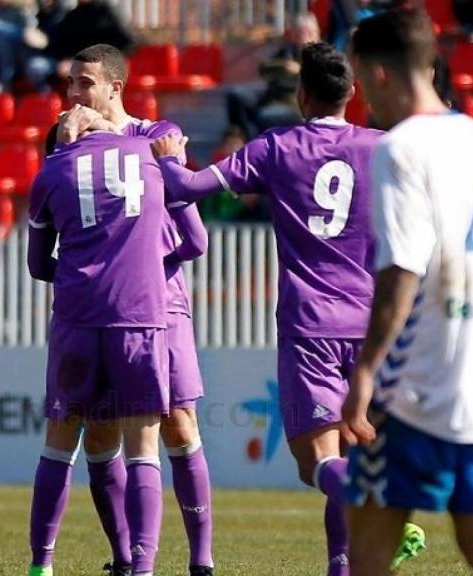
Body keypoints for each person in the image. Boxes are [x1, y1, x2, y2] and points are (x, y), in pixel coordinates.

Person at [149, 42, 428, 576]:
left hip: (310, 325)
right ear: (353, 94)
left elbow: (187, 188)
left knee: (318, 464)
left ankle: (381, 512)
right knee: (349, 459)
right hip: (372, 326)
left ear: (301, 95)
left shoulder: (277, 146)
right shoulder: (383, 148)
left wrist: (167, 154)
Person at [342, 9, 473, 576]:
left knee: (370, 549)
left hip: (417, 383)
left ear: (378, 73)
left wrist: (367, 370)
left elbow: (401, 268)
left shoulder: (400, 148)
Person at [52, 43, 216, 576]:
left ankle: (200, 560)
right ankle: (125, 558)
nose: (73, 94)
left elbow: (192, 233)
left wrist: (136, 258)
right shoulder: (68, 142)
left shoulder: (154, 135)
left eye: (83, 83)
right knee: (99, 429)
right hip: (101, 309)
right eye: (70, 84)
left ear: (113, 88)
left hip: (161, 302)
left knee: (179, 423)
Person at [26, 124, 171, 576]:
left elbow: (36, 264)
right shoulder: (147, 153)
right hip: (138, 315)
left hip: (77, 318)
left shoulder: (52, 169)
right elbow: (196, 239)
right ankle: (142, 568)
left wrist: (78, 270)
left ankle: (40, 566)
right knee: (143, 449)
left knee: (60, 444)